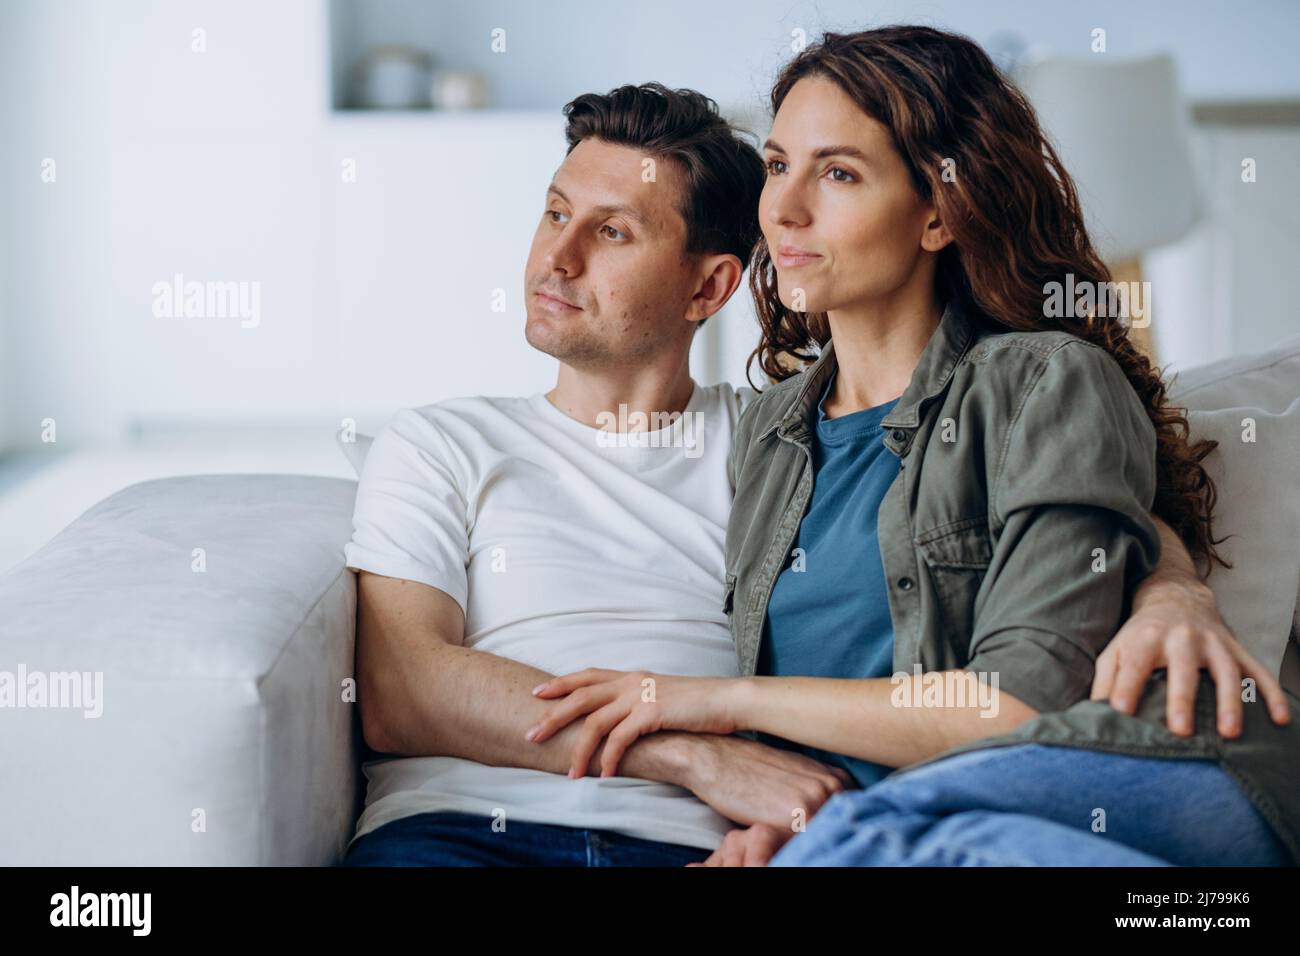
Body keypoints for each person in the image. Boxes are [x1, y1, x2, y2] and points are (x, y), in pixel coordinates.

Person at [342, 82, 1282, 868]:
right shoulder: (456, 442)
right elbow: (402, 688)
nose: (557, 255)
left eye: (613, 232)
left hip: (781, 834)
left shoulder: (791, 437)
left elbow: (1052, 539)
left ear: (709, 288)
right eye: (554, 213)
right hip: (484, 833)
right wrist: (700, 762)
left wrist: (1170, 586)